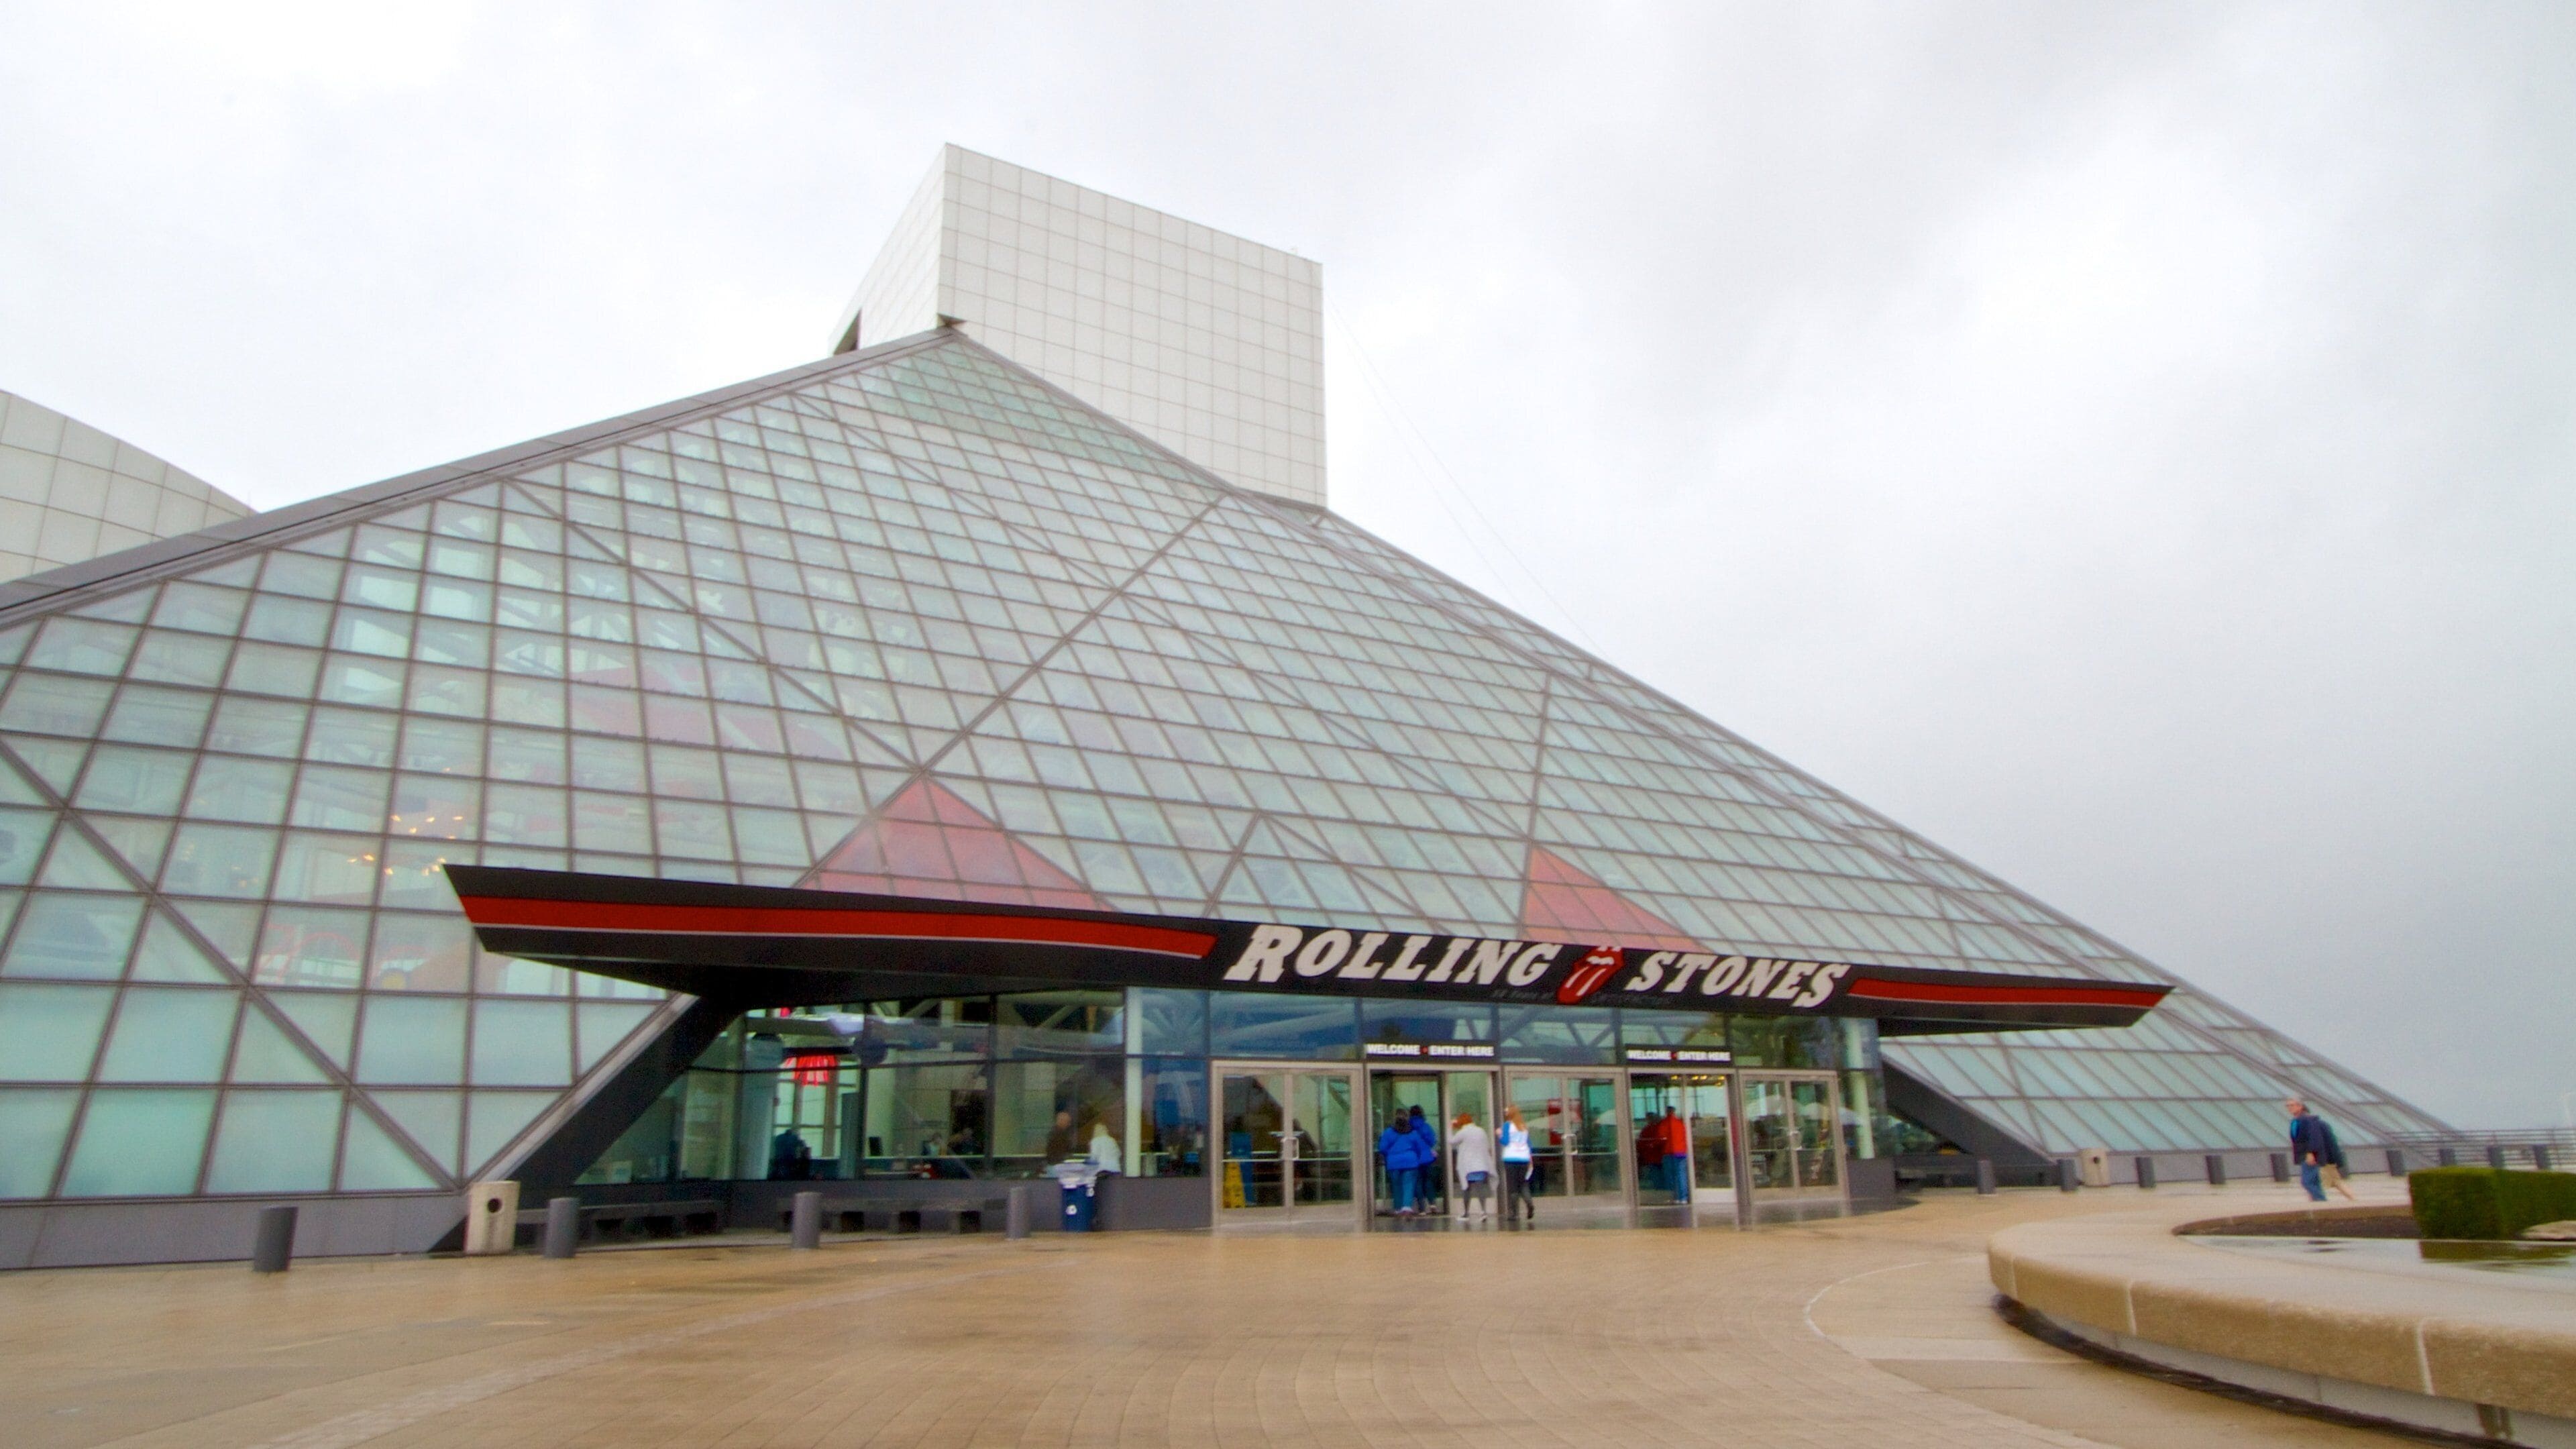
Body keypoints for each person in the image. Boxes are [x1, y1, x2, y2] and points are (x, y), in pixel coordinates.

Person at [2286, 1099, 2355, 1203]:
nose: (2289, 1108)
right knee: (2315, 1182)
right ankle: (2317, 1203)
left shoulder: (2307, 1120)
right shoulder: (2296, 1121)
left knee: (2308, 1182)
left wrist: (2311, 1153)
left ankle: (2321, 1202)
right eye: (2288, 1106)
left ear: (2300, 1106)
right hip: (2307, 1156)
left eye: (2292, 1105)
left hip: (2312, 1156)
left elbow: (2313, 1138)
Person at [1379, 1110, 1428, 1216]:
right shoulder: (1413, 1133)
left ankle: (1397, 1208)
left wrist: (1390, 1155)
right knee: (1409, 1185)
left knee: (1396, 1186)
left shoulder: (1388, 1133)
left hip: (1393, 1163)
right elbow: (1420, 1148)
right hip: (1411, 1162)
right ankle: (1406, 1207)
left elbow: (1382, 1148)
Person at [1450, 1111, 1495, 1219]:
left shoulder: (1464, 1132)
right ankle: (1483, 1211)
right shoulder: (1481, 1131)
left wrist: (1450, 1127)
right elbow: (1487, 1146)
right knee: (1480, 1188)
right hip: (1481, 1164)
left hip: (1468, 1166)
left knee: (1466, 1189)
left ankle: (1466, 1213)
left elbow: (1452, 1141)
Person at [1498, 1106, 1536, 1222]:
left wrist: (1499, 1134)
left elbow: (1505, 1141)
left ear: (1510, 1113)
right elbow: (1529, 1144)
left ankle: (1513, 1213)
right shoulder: (1523, 1126)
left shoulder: (1507, 1125)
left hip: (1510, 1158)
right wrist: (1530, 1159)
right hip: (1524, 1158)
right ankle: (1529, 1204)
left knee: (1513, 1187)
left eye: (1506, 1111)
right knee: (1523, 1184)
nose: (1505, 1113)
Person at [1656, 1107, 1692, 1203]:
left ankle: (1673, 1197)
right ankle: (1683, 1197)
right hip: (1681, 1152)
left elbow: (1661, 1138)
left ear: (1666, 1112)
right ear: (1674, 1112)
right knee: (1681, 1175)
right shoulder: (1680, 1123)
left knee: (1670, 1176)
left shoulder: (1664, 1123)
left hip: (1668, 1152)